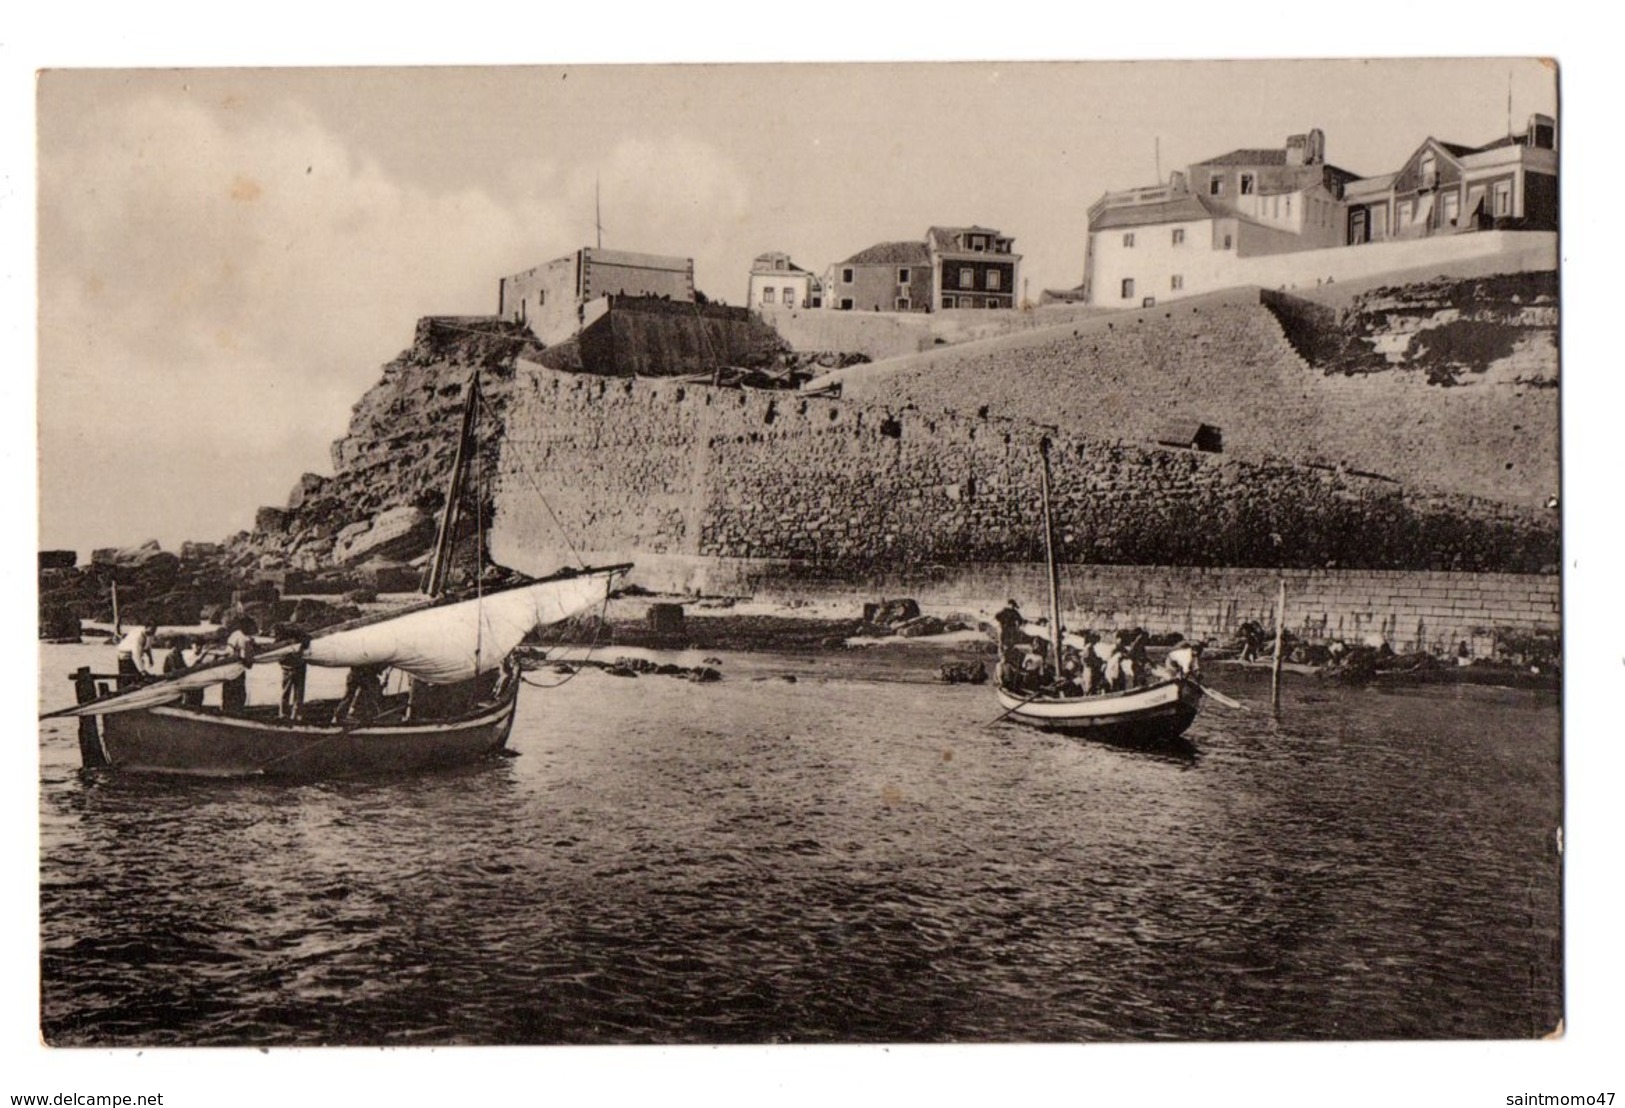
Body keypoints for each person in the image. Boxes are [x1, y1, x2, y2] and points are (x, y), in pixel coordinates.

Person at [220, 619, 256, 714]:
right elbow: (248, 663)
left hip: (227, 670)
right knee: (239, 696)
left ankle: (225, 711)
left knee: (227, 695)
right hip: (237, 672)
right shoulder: (244, 639)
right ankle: (235, 714)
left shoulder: (235, 634)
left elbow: (228, 652)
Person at [277, 626, 311, 721]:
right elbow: (307, 644)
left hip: (288, 667)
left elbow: (278, 654)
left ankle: (284, 714)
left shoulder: (282, 637)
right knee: (298, 692)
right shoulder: (303, 635)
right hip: (299, 666)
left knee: (286, 691)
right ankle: (296, 714)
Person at [115, 622, 157, 689]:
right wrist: (142, 671)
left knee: (139, 677)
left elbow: (148, 648)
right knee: (130, 678)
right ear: (146, 627)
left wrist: (150, 659)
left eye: (155, 630)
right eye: (152, 629)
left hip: (135, 654)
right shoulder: (138, 636)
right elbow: (136, 656)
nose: (153, 632)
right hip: (125, 655)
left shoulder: (150, 634)